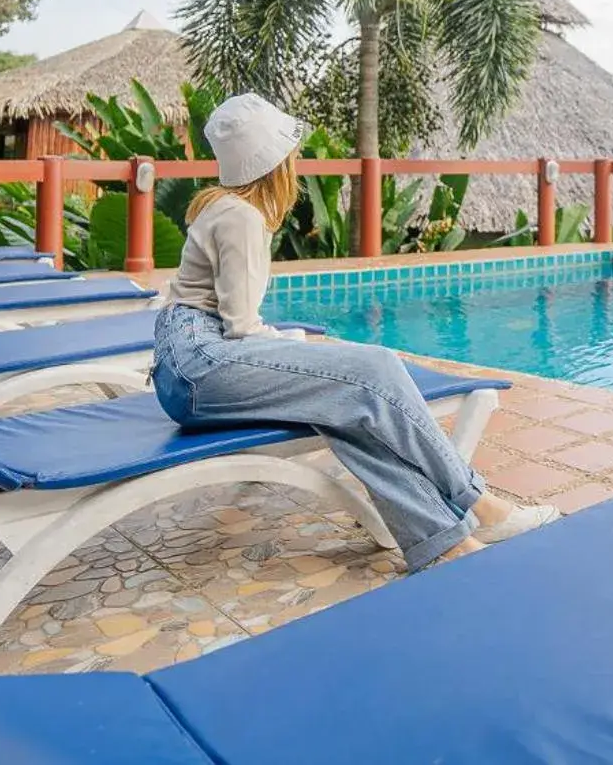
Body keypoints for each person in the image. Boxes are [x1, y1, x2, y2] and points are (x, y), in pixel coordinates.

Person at [152, 92, 559, 570]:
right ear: (275, 161)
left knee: (350, 405)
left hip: (191, 363)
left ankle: (444, 543)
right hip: (202, 365)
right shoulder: (241, 216)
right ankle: (477, 502)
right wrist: (293, 344)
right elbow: (242, 328)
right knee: (374, 367)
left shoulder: (222, 207)